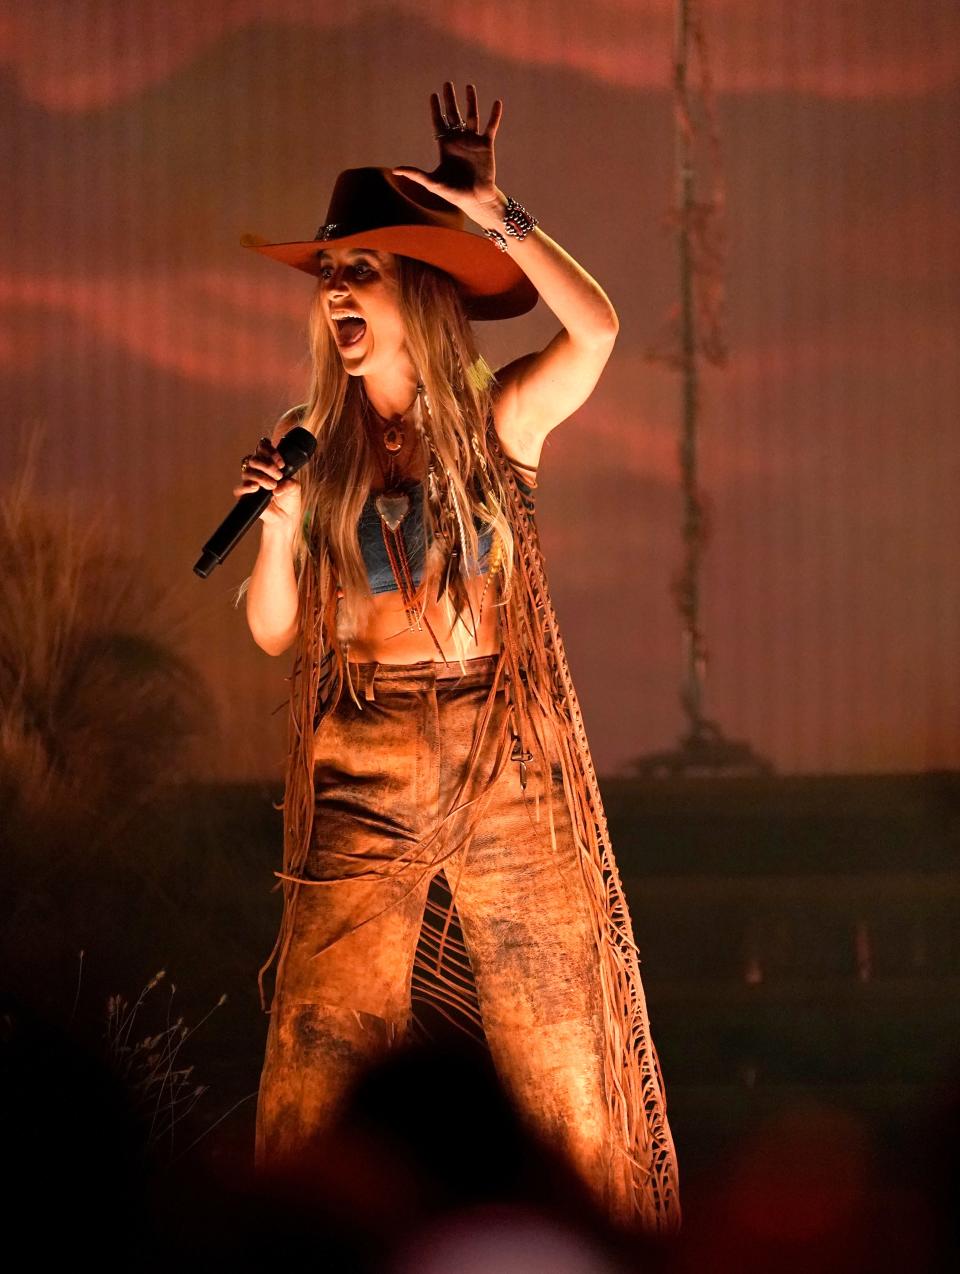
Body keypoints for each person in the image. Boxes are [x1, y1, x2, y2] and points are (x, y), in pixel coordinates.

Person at [234, 82, 680, 1233]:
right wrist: (280, 526)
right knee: (317, 1042)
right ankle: (297, 1240)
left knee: (563, 1034)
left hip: (501, 751)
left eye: (363, 266)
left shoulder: (499, 424)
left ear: (416, 289)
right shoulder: (311, 445)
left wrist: (497, 216)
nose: (337, 284)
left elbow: (598, 331)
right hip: (362, 753)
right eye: (329, 268)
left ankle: (593, 1239)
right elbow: (275, 627)